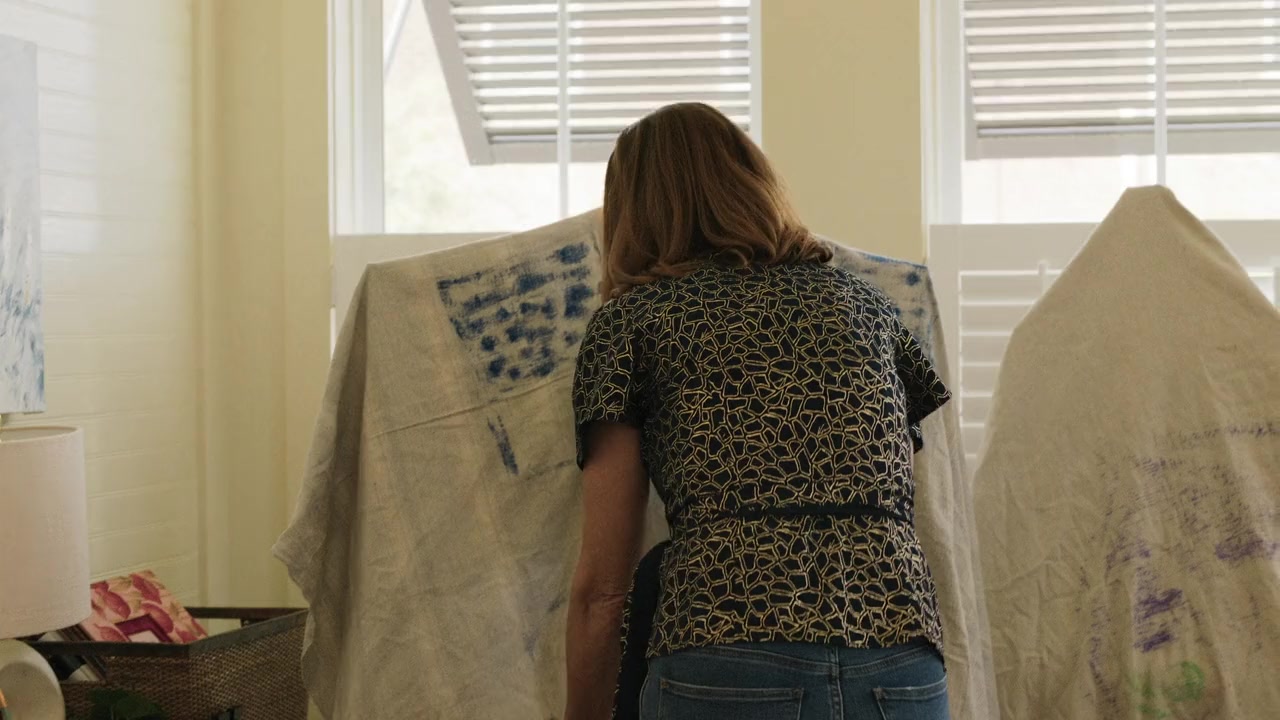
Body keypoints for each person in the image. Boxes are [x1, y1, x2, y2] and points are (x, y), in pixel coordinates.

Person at [564, 102, 953, 720]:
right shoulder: (870, 307)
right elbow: (896, 494)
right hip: (900, 656)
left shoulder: (635, 322)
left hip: (724, 647)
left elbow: (605, 593)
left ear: (635, 210)